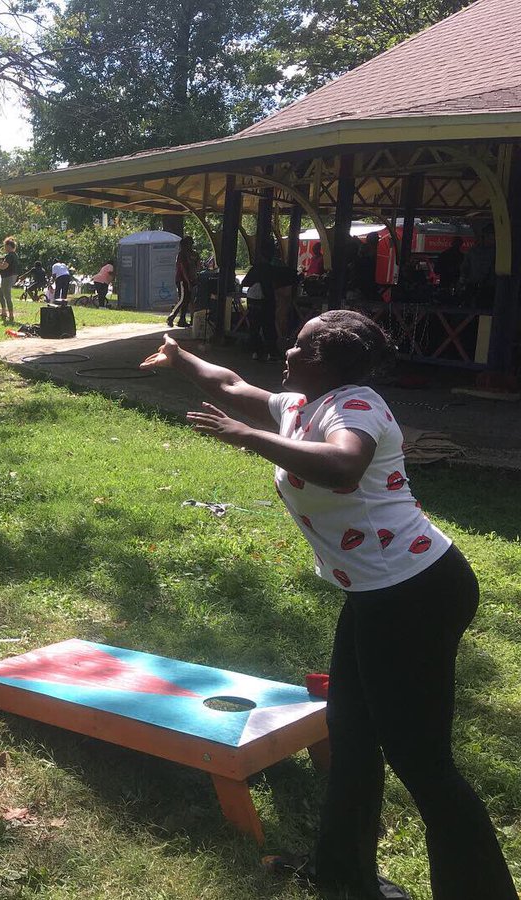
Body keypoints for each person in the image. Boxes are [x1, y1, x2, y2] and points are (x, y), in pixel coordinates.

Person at [141, 312, 517, 900]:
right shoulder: (300, 404)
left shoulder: (356, 408)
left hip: (415, 591)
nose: (286, 350)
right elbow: (232, 387)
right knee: (351, 730)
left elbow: (344, 468)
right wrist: (178, 356)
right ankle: (344, 871)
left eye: (299, 344)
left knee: (421, 761)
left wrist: (244, 437)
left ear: (324, 358)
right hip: (378, 593)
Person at [241, 242, 280, 361]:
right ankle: (271, 352)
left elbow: (245, 283)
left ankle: (256, 351)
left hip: (254, 301)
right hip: (267, 300)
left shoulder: (255, 269)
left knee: (254, 326)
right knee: (269, 326)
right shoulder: (272, 270)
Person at [168, 236, 199, 327]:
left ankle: (182, 319)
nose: (191, 246)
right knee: (182, 299)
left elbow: (197, 266)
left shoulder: (192, 254)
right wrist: (188, 281)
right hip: (182, 279)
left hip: (191, 279)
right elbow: (183, 269)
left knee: (187, 300)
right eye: (189, 244)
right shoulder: (182, 255)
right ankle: (171, 316)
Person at [0, 237, 20, 323]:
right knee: (0, 294)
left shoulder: (9, 255)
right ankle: (4, 312)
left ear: (9, 246)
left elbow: (4, 266)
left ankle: (11, 315)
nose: (4, 248)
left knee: (7, 296)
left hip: (7, 277)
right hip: (12, 276)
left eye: (5, 246)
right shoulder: (14, 255)